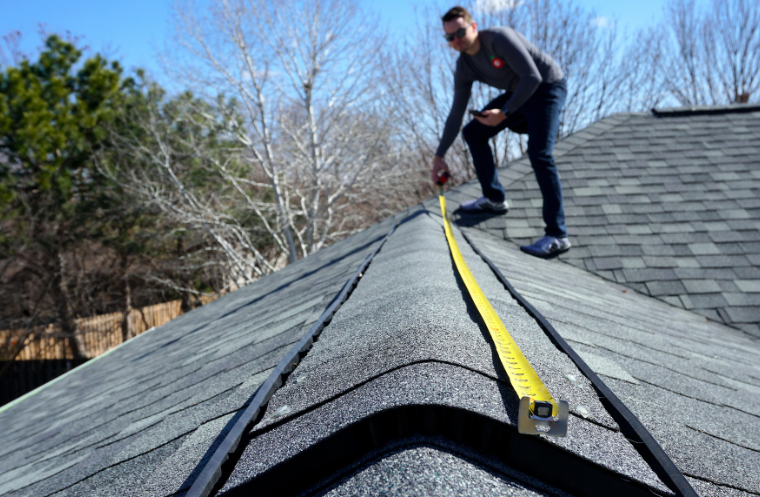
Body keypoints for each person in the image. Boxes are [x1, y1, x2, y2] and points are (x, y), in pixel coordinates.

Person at [432, 6, 570, 258]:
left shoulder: (499, 39)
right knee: (473, 132)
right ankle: (494, 199)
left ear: (473, 27)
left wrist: (504, 113)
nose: (456, 40)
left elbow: (532, 76)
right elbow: (456, 112)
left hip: (547, 87)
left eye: (460, 33)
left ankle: (557, 235)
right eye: (449, 37)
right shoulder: (464, 66)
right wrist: (439, 155)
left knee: (540, 155)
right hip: (518, 94)